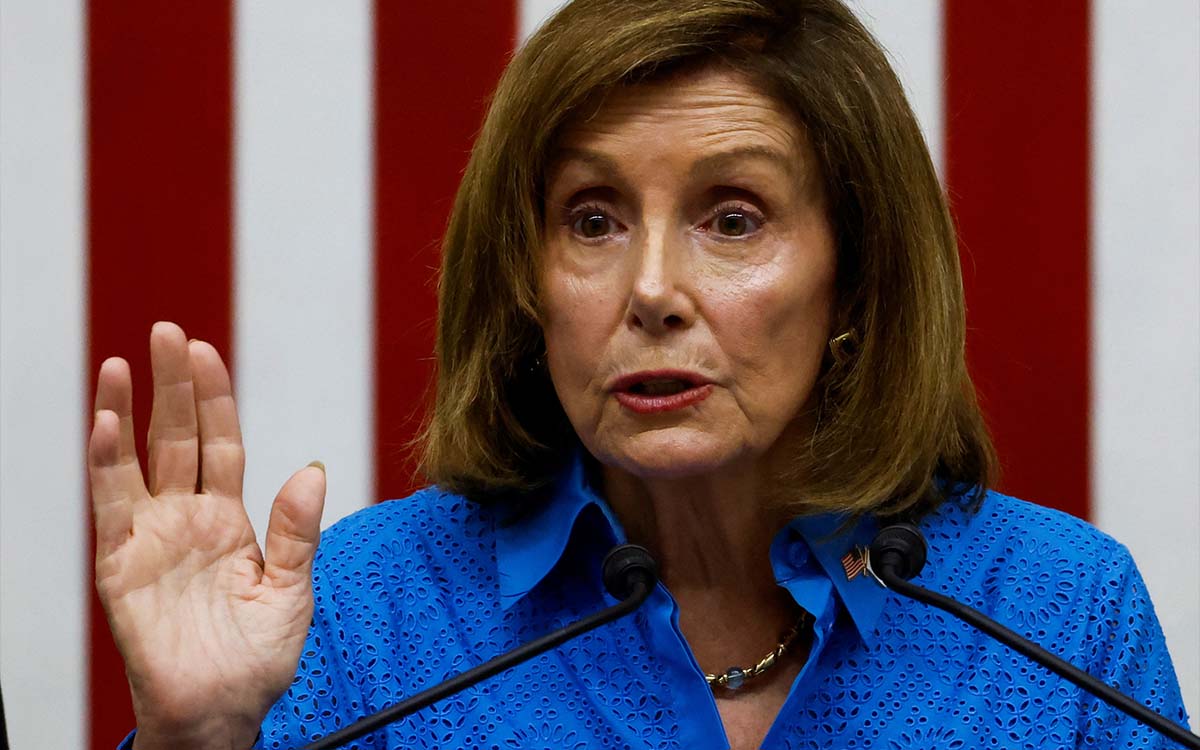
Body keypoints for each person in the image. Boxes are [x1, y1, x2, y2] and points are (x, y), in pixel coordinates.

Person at [90, 1, 1189, 748]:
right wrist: (197, 742)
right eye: (593, 219)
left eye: (733, 218)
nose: (652, 289)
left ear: (857, 277)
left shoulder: (1058, 613)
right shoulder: (364, 615)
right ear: (526, 278)